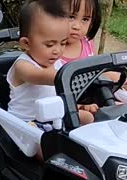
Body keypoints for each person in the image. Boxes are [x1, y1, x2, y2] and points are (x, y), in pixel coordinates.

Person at [6, 0, 98, 131]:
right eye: (50, 45)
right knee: (45, 146)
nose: (57, 50)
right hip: (27, 122)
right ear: (26, 43)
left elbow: (57, 95)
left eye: (63, 43)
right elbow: (43, 77)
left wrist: (79, 105)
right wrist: (75, 76)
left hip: (53, 117)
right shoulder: (22, 66)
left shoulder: (57, 63)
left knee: (88, 117)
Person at [58, 0, 127, 94]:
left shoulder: (86, 43)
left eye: (85, 19)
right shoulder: (51, 51)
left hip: (90, 100)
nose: (77, 26)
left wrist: (123, 81)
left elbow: (96, 72)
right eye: (71, 17)